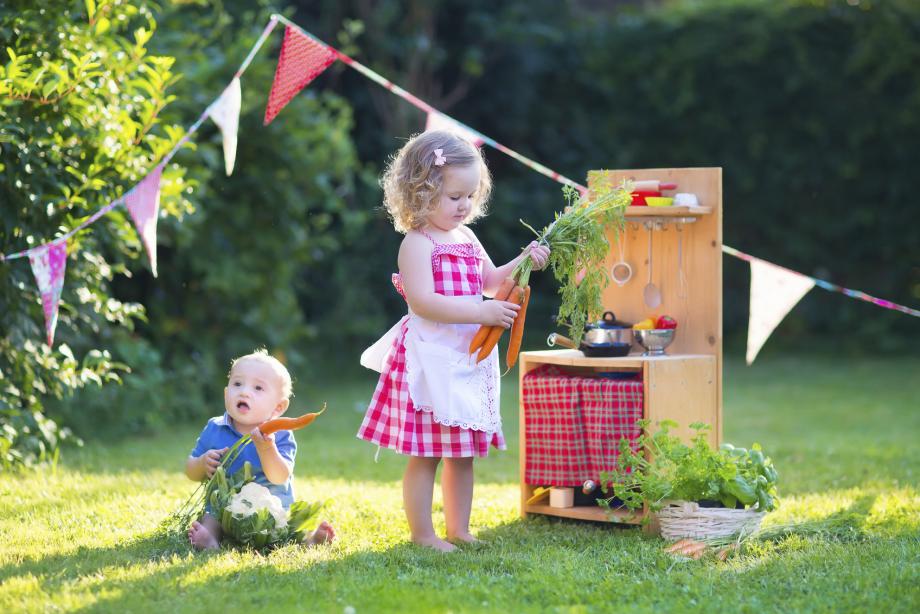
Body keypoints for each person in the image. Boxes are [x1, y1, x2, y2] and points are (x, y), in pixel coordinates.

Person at [357, 130, 549, 552]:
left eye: (469, 196)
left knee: (462, 453)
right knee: (426, 453)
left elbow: (491, 279)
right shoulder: (417, 244)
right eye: (453, 197)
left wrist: (524, 260)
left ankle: (459, 529)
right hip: (431, 358)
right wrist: (481, 311)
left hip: (466, 356)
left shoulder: (466, 238)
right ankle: (424, 534)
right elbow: (424, 302)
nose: (463, 206)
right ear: (421, 193)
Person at [186, 349, 335, 550]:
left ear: (278, 408)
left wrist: (267, 448)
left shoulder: (281, 434)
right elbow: (190, 470)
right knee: (211, 518)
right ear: (226, 393)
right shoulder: (215, 427)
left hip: (271, 512)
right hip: (224, 511)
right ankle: (210, 540)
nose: (244, 391)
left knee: (289, 526)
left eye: (258, 388)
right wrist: (202, 463)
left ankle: (310, 541)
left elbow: (279, 477)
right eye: (237, 384)